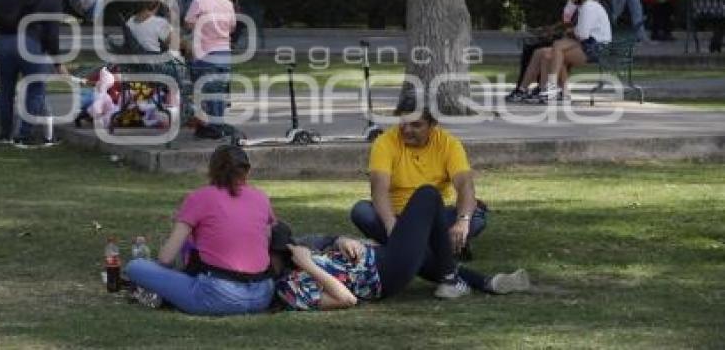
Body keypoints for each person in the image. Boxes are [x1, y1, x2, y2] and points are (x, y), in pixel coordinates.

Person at [272, 197, 530, 311]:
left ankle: (487, 283)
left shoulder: (297, 253)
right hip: (384, 274)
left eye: (290, 245)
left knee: (429, 257)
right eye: (285, 249)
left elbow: (323, 240)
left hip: (379, 255)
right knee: (428, 196)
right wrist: (309, 265)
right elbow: (346, 300)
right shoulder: (289, 288)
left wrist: (343, 240)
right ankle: (451, 279)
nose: (292, 248)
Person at [125, 146, 276, 315]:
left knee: (135, 266)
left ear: (211, 170)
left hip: (219, 295)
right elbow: (266, 240)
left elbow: (165, 258)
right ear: (246, 171)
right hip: (262, 294)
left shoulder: (200, 197)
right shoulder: (261, 197)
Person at [350, 93, 487, 268]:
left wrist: (462, 221)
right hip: (397, 217)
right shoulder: (384, 143)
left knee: (476, 219)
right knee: (362, 212)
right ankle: (442, 248)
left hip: (435, 218)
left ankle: (405, 248)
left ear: (433, 125)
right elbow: (379, 190)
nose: (407, 130)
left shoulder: (449, 144)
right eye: (403, 123)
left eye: (416, 125)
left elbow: (465, 185)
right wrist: (392, 227)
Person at [0, 0, 70, 147]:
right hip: (28, 43)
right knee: (35, 87)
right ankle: (23, 135)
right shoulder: (52, 1)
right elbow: (52, 36)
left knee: (6, 89)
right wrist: (58, 63)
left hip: (2, 41)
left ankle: (5, 135)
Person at [515, 0, 612, 102]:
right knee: (546, 54)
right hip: (589, 45)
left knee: (557, 47)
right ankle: (551, 92)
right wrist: (571, 31)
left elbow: (582, 34)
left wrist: (571, 31)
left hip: (597, 47)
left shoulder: (589, 6)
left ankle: (552, 89)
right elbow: (580, 32)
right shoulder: (584, 6)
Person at [185, 0, 236, 139]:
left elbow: (189, 23)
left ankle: (213, 127)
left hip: (205, 55)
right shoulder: (228, 3)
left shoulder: (198, 2)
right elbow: (232, 26)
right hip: (225, 54)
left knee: (206, 91)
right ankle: (218, 124)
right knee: (220, 92)